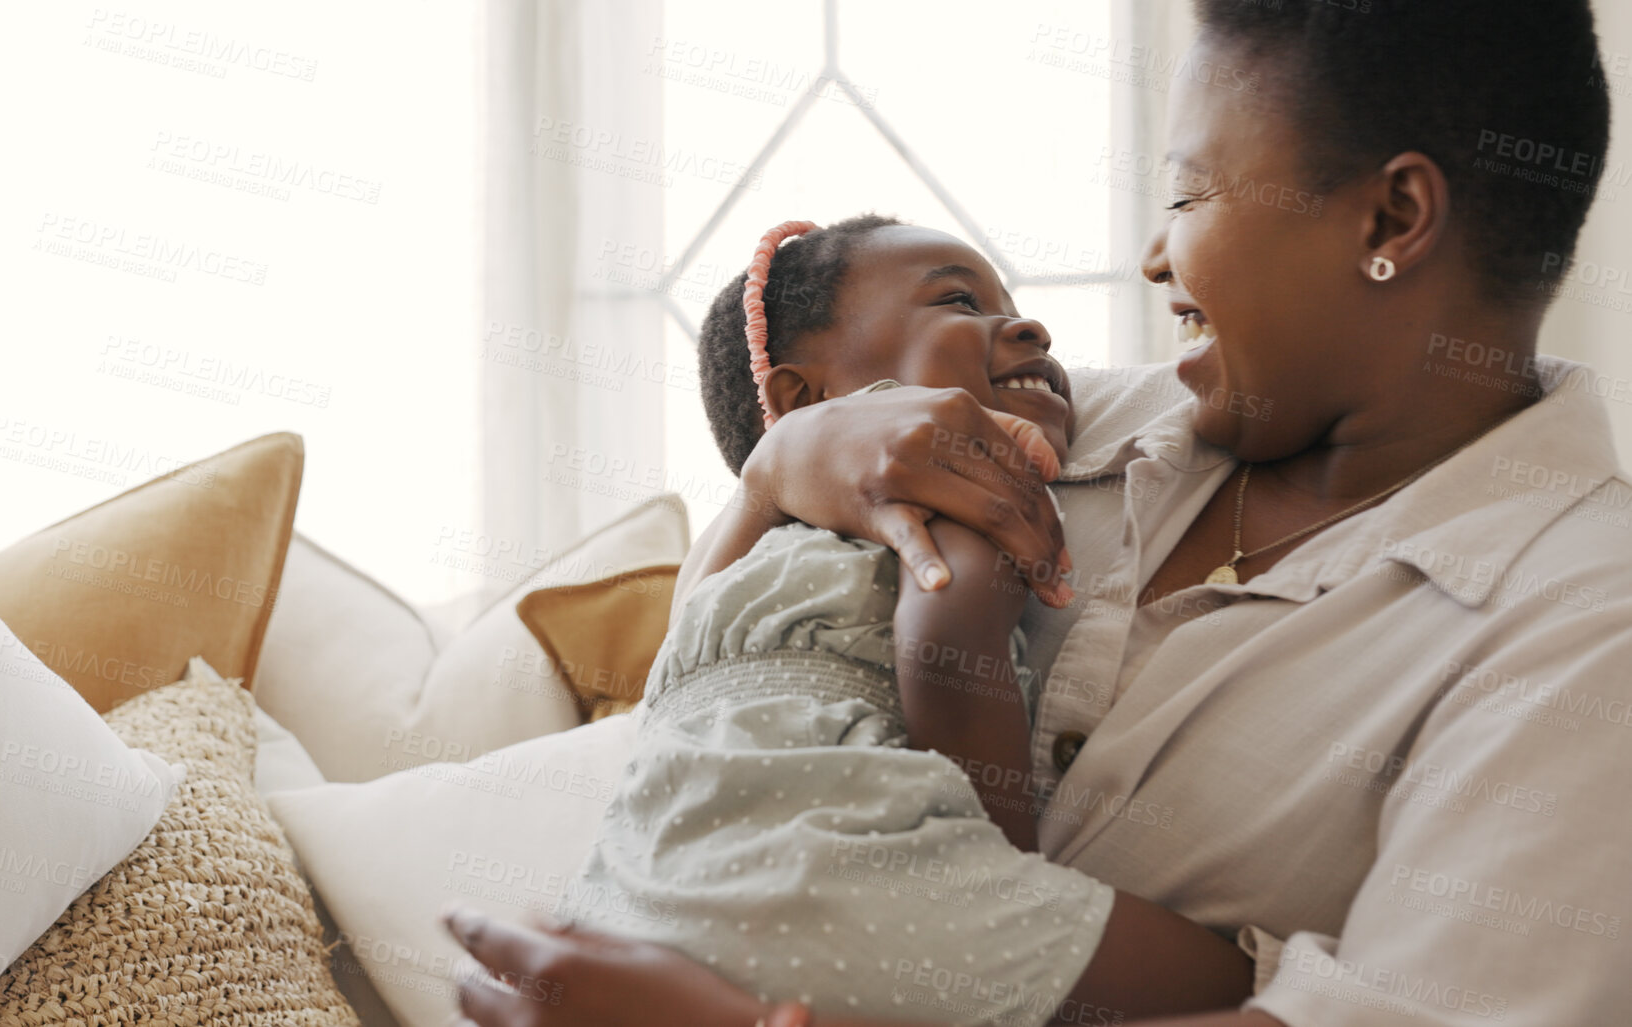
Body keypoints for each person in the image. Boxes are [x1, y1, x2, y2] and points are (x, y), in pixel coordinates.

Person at [449, 1, 1628, 1024]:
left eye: (1189, 193)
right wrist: (774, 471)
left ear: (1391, 219)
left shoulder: (1583, 631)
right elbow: (710, 676)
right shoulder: (1076, 421)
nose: (1155, 257)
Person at [556, 214, 1255, 1026]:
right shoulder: (931, 454)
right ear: (804, 399)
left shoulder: (734, 560)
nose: (1030, 327)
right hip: (839, 872)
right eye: (959, 301)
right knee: (1241, 987)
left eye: (1010, 306)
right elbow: (946, 646)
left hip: (637, 898)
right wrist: (1001, 872)